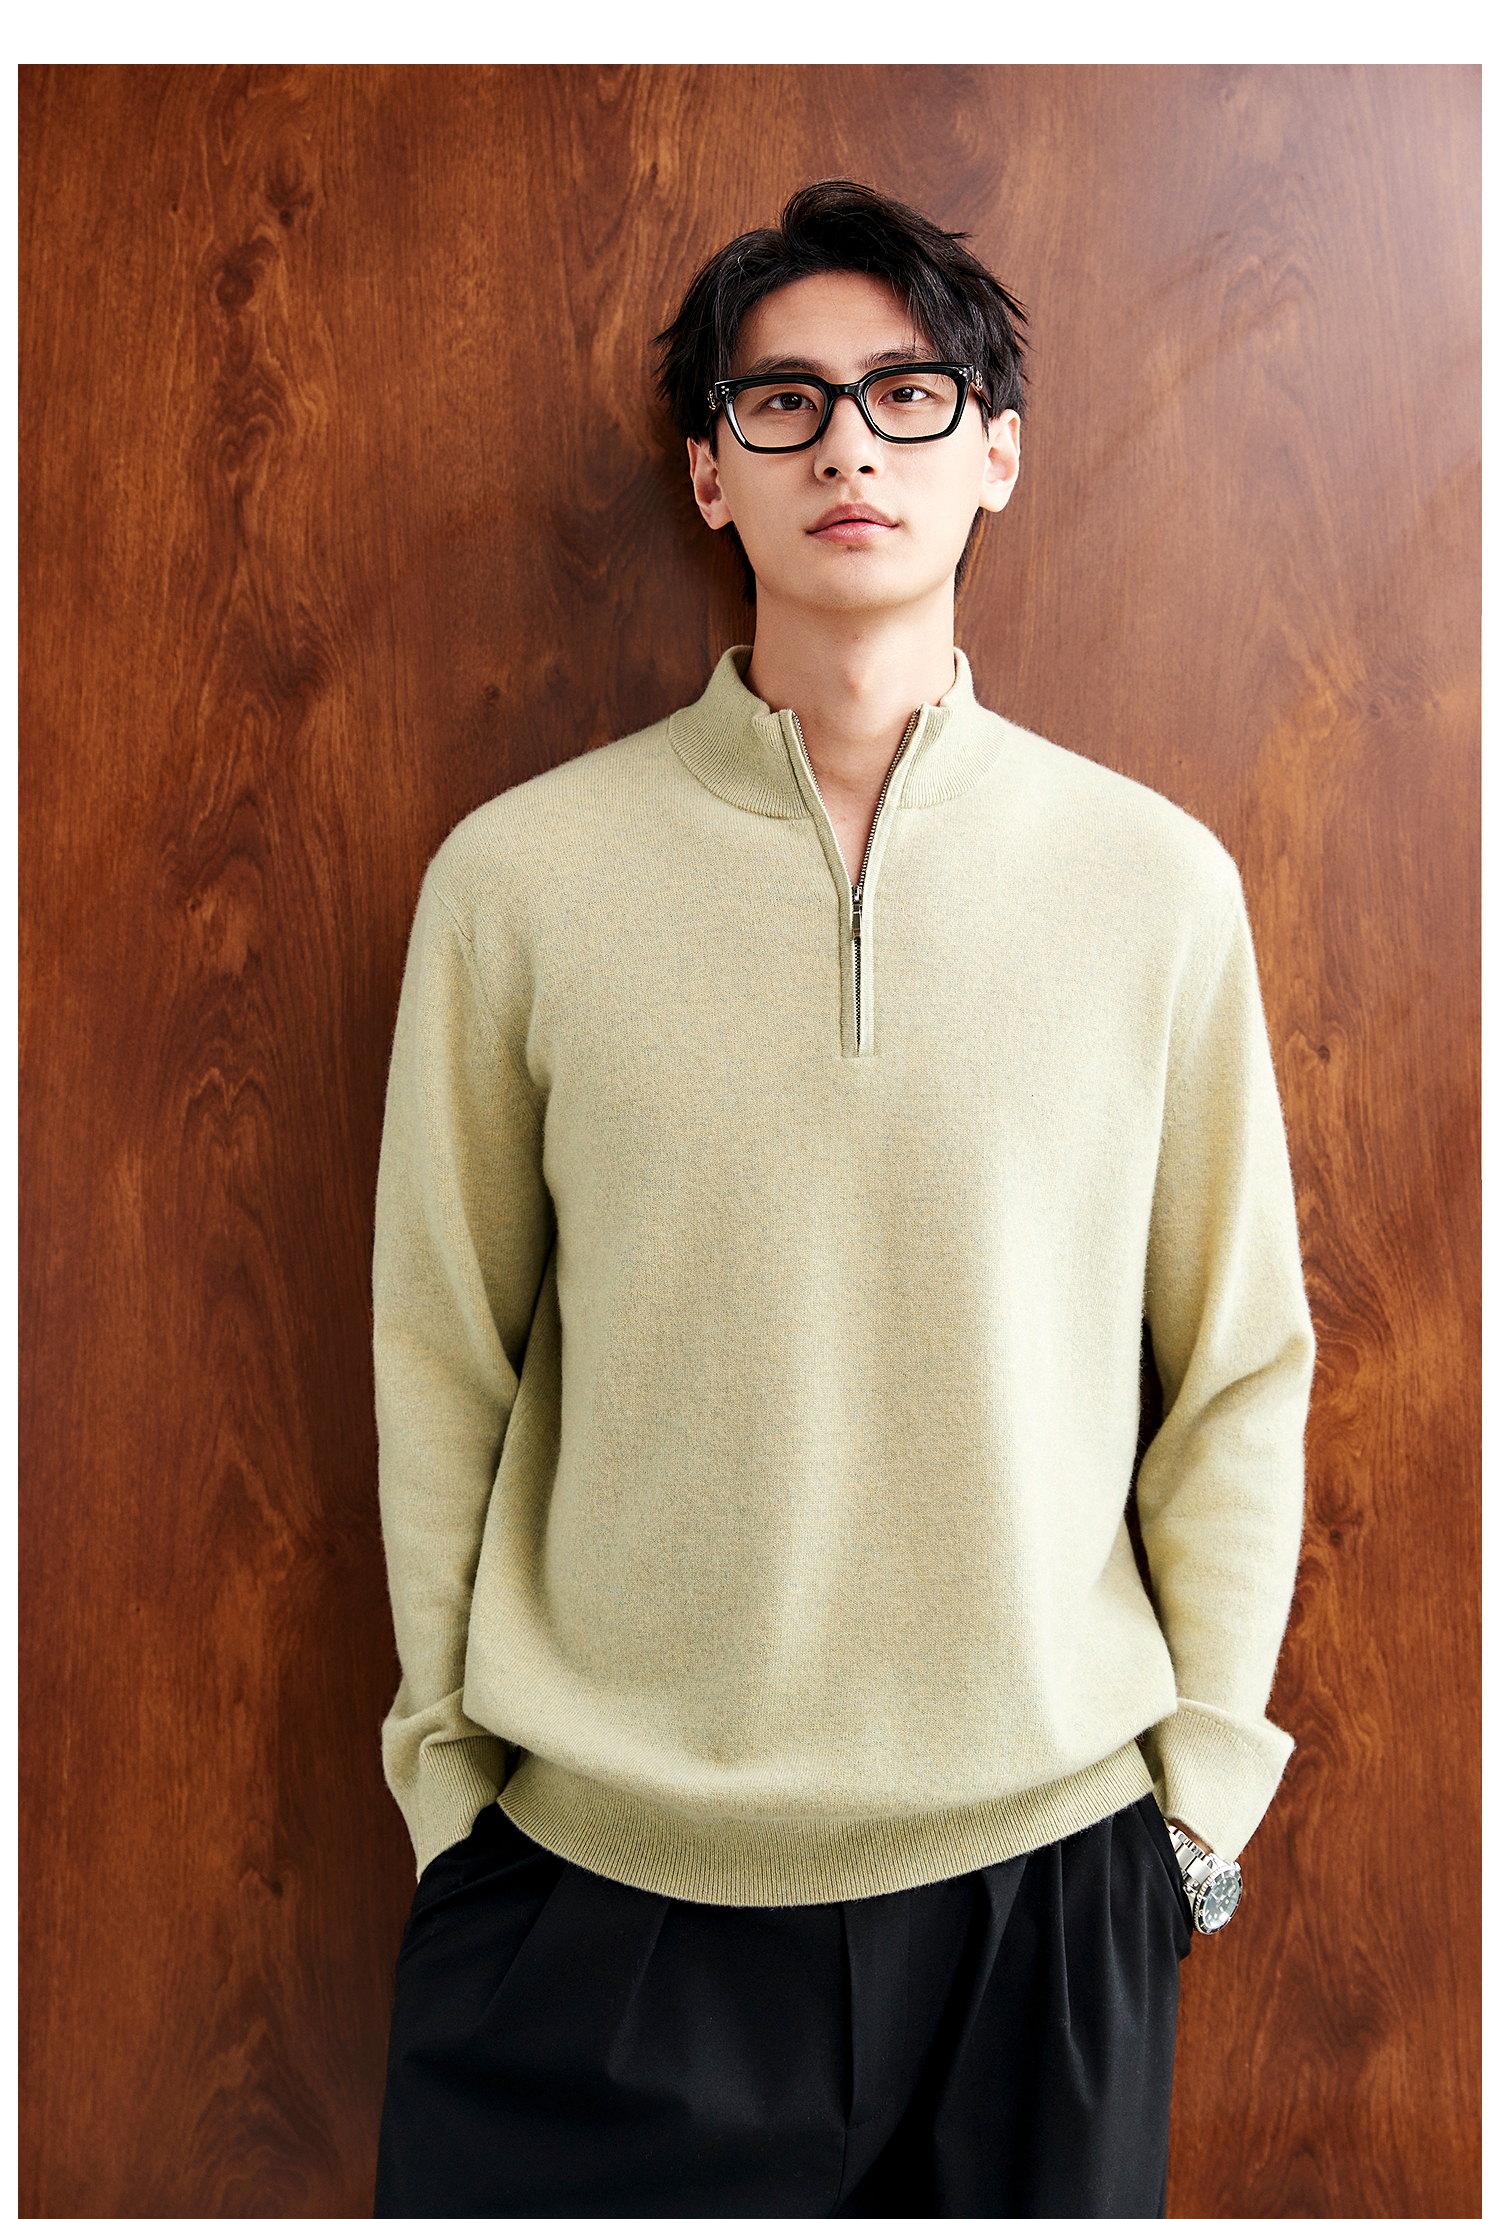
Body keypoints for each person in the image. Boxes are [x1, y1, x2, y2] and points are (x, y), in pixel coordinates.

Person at [370, 180, 1315, 2218]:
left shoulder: (1155, 886)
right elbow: (442, 1355)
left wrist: (1200, 1801)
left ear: (997, 454)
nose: (848, 447)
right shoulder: (519, 881)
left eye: (909, 393)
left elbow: (1240, 1365)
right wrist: (452, 1787)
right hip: (598, 1900)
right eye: (782, 402)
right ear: (709, 473)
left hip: (1044, 1903)